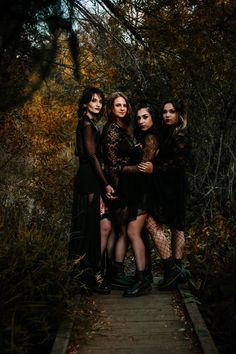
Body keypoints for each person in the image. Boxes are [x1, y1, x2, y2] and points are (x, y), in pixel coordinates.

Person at [69, 86, 115, 295]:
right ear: (85, 103)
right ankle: (90, 276)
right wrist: (105, 182)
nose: (98, 104)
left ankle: (93, 272)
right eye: (94, 100)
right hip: (89, 179)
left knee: (103, 225)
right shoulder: (86, 124)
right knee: (91, 227)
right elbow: (92, 157)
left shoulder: (91, 124)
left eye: (100, 101)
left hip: (92, 178)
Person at [147, 98, 191, 290]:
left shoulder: (180, 134)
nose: (167, 115)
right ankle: (175, 271)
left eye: (171, 112)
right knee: (175, 226)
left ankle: (173, 269)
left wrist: (154, 166)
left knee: (171, 225)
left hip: (174, 187)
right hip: (165, 185)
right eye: (164, 112)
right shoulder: (167, 132)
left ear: (179, 114)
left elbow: (180, 163)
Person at [121, 101, 159, 297]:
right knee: (141, 233)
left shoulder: (151, 138)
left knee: (132, 231)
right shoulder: (142, 136)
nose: (141, 121)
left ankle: (141, 278)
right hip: (138, 191)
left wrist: (120, 168)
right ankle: (145, 275)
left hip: (144, 192)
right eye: (139, 118)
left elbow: (144, 167)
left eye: (145, 117)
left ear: (153, 118)